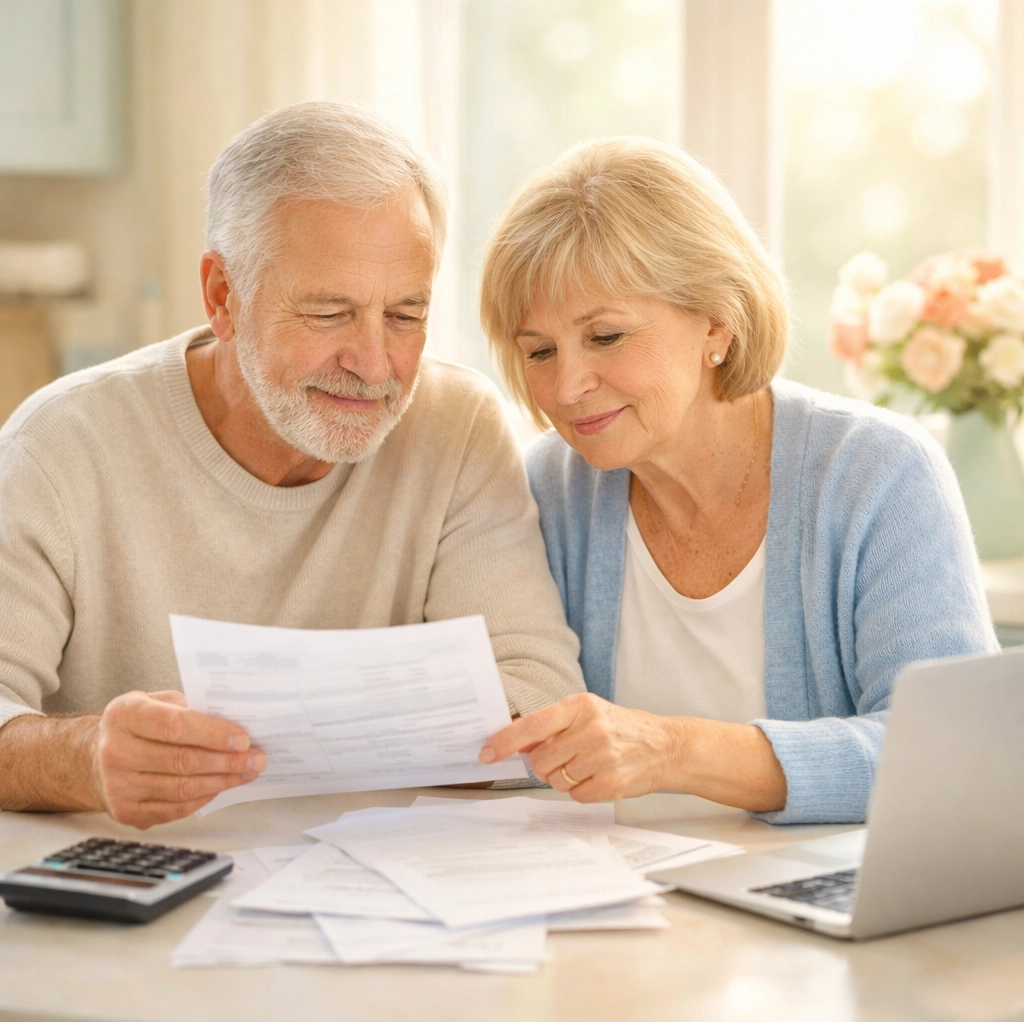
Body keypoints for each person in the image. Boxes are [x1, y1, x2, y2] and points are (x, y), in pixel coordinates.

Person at [0, 101, 584, 828]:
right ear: (223, 297)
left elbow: (541, 703)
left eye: (405, 315)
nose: (375, 364)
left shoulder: (457, 427)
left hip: (381, 885)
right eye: (328, 313)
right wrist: (84, 756)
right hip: (135, 892)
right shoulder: (60, 445)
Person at [476, 136, 996, 824]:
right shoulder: (550, 488)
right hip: (620, 902)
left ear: (717, 321)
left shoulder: (878, 474)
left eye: (606, 337)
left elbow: (951, 755)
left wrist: (672, 750)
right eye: (539, 351)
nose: (567, 386)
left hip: (820, 915)